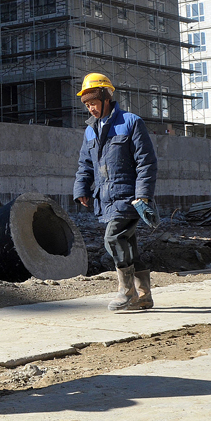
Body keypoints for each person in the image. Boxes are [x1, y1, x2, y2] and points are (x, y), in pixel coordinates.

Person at [72, 72, 159, 312]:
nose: (91, 108)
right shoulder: (90, 131)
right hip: (106, 199)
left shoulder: (130, 122)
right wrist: (82, 189)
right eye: (87, 105)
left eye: (93, 103)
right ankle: (144, 295)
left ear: (106, 98)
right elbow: (85, 164)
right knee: (128, 245)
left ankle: (127, 292)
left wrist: (143, 195)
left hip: (130, 199)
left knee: (112, 239)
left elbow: (146, 162)